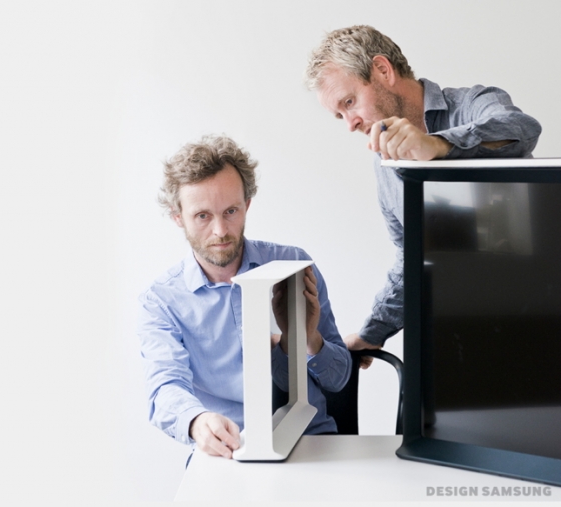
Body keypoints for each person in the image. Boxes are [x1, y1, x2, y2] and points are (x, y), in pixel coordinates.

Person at [305, 25, 542, 363]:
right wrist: (372, 334)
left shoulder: (474, 103)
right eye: (339, 115)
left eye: (349, 102)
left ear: (383, 70)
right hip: (454, 338)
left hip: (534, 316)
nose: (350, 124)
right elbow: (411, 257)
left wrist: (438, 146)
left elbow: (523, 129)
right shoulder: (384, 165)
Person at [138, 135, 352, 458]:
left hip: (310, 443)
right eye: (202, 216)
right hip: (227, 451)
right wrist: (196, 421)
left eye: (231, 211)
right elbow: (164, 387)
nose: (221, 231)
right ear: (178, 217)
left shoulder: (294, 266)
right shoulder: (161, 302)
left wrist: (308, 339)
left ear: (247, 204)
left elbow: (339, 379)